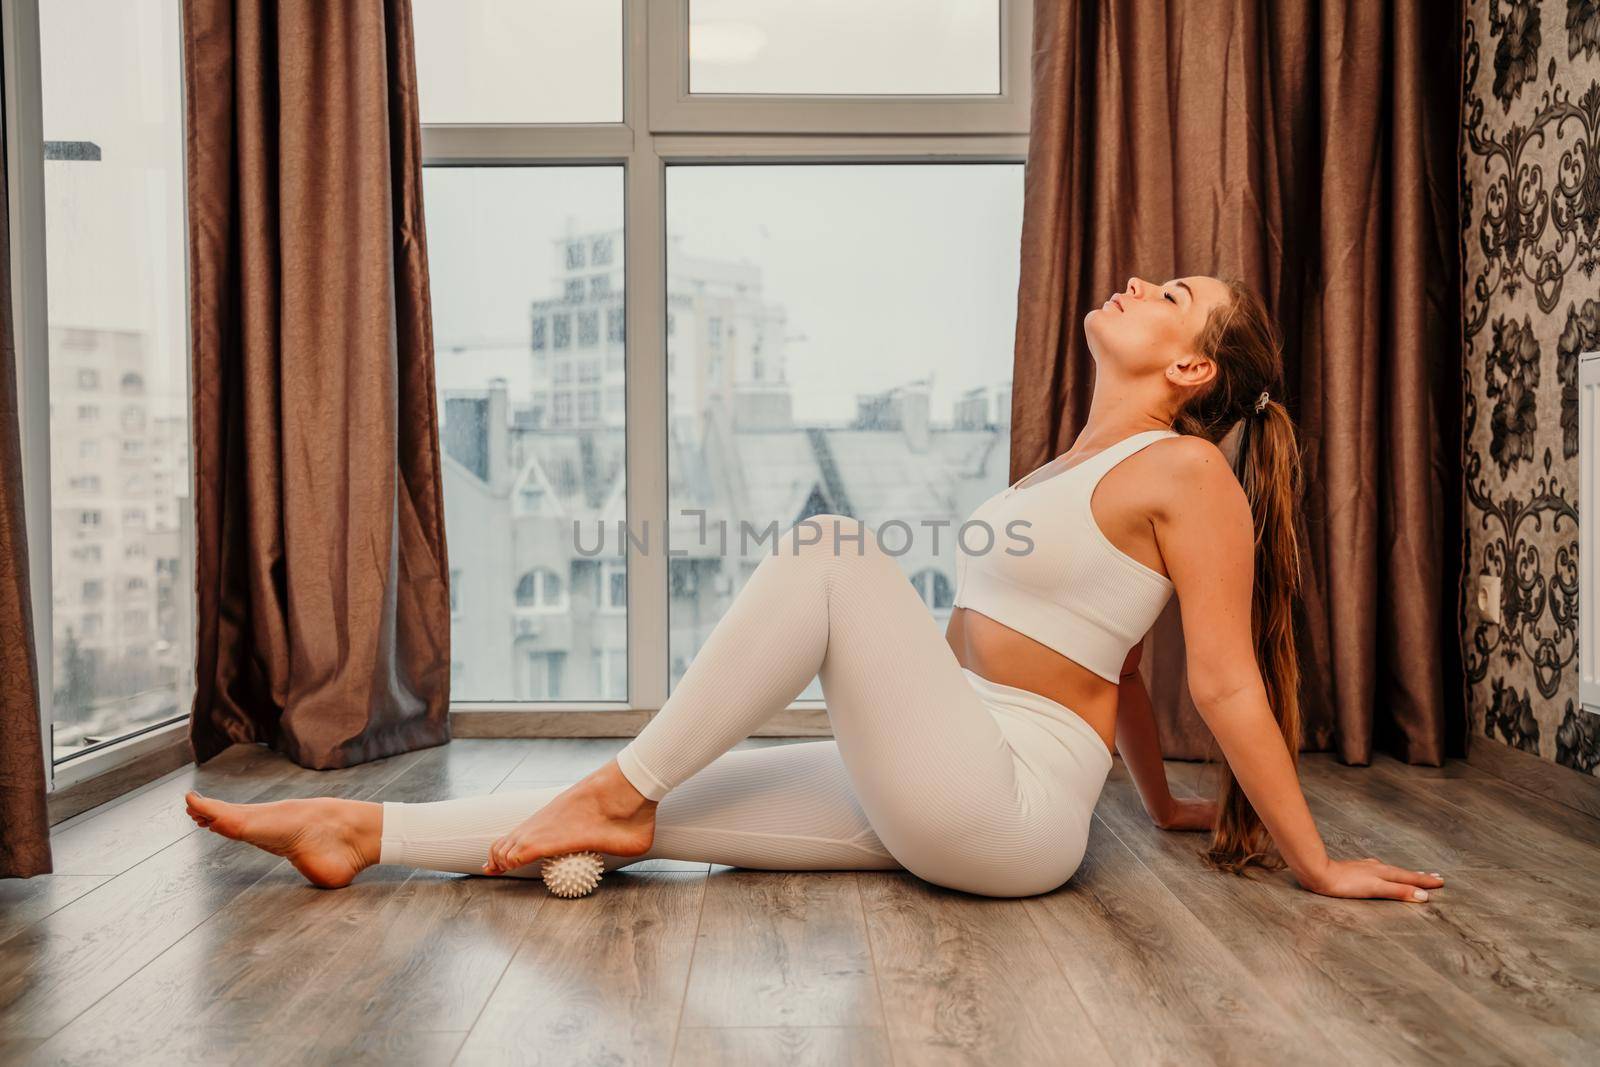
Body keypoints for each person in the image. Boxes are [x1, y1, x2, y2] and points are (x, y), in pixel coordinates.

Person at [185, 275, 1444, 903]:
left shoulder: (1187, 470)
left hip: (1004, 807)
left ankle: (614, 779)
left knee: (833, 552)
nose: (1137, 281)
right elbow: (1108, 655)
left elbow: (1216, 674)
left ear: (1187, 364)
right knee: (652, 821)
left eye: (1171, 294)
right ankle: (362, 834)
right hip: (950, 766)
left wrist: (1315, 860)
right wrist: (1163, 802)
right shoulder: (1079, 457)